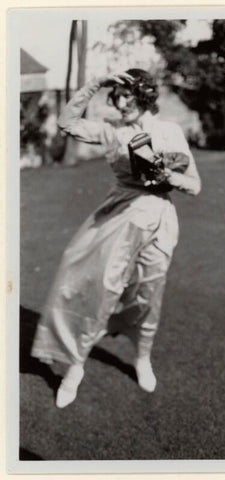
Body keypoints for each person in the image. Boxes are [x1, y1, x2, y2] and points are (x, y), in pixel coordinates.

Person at [31, 68, 201, 408]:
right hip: (119, 216)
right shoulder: (111, 132)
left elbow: (194, 184)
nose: (122, 102)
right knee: (95, 288)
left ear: (145, 96)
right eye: (117, 96)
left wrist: (168, 175)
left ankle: (142, 359)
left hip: (159, 221)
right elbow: (67, 123)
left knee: (148, 295)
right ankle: (74, 367)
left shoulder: (170, 131)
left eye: (128, 95)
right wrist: (96, 82)